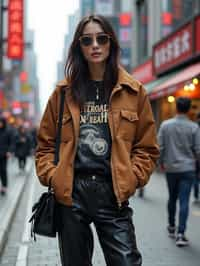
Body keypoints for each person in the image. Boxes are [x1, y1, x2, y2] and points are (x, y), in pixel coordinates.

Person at [36, 15, 159, 266]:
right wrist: (53, 177)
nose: (95, 45)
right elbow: (45, 145)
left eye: (101, 38)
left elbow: (146, 148)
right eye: (87, 40)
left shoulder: (134, 91)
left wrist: (132, 177)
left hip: (112, 193)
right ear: (78, 47)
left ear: (111, 43)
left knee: (127, 261)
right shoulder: (62, 93)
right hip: (72, 193)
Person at [158, 97, 200, 247]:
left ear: (176, 108)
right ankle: (181, 234)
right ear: (189, 109)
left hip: (171, 168)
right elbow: (198, 150)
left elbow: (160, 147)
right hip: (188, 169)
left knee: (172, 197)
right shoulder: (194, 127)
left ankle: (171, 226)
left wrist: (161, 162)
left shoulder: (165, 125)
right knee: (184, 200)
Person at [0, 117, 12, 195]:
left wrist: (9, 151)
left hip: (4, 155)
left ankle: (4, 186)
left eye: (1, 122)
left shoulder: (7, 132)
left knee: (3, 170)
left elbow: (11, 142)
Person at [193, 112, 200, 203]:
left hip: (195, 159)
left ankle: (196, 194)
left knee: (195, 177)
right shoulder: (193, 127)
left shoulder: (194, 126)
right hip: (197, 157)